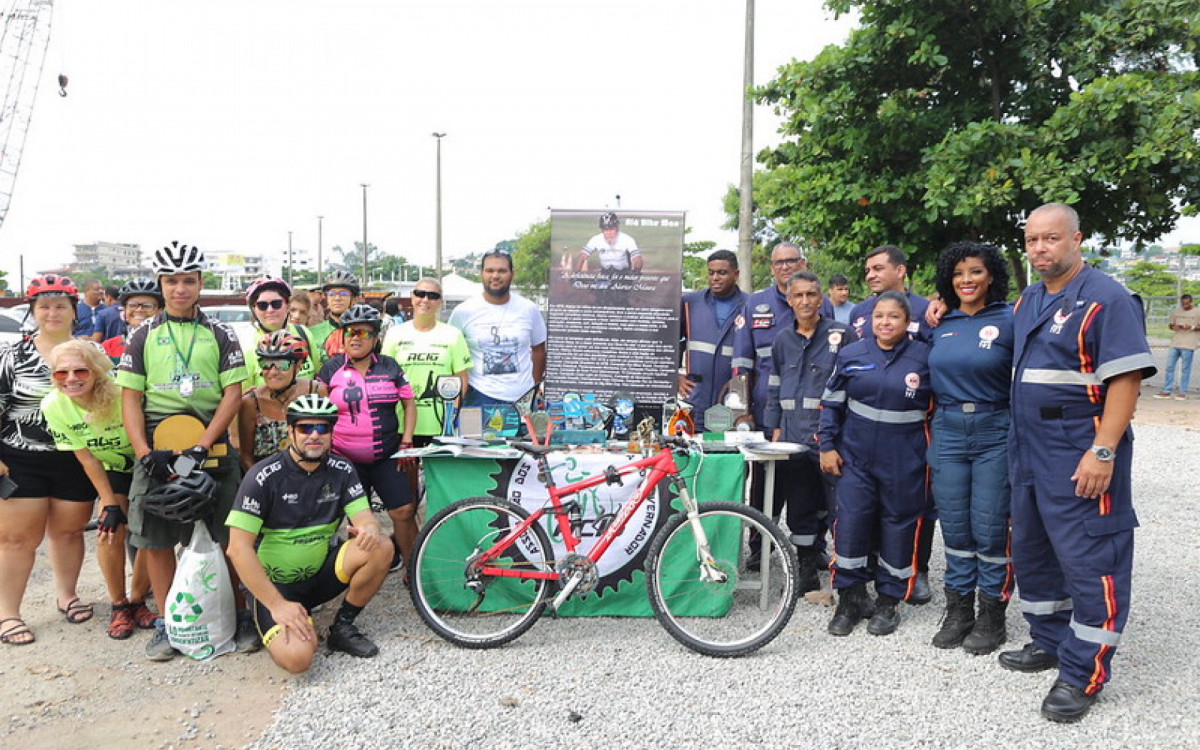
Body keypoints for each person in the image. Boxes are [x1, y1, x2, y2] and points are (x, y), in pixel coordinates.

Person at [998, 203, 1155, 723]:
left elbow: (1126, 380)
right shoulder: (1029, 299)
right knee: (1035, 551)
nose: (1039, 248)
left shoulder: (1106, 298)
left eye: (1050, 239)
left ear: (1076, 239)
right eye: (1031, 241)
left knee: (1092, 560)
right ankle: (1049, 640)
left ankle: (1083, 672)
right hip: (1030, 452)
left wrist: (1103, 451)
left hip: (1079, 451)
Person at [116, 241, 254, 661]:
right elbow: (128, 400)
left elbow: (234, 394)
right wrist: (144, 454)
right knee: (156, 541)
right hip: (158, 441)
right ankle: (166, 622)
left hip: (209, 438)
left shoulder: (221, 332)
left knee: (228, 535)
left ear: (200, 283)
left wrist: (201, 445)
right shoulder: (142, 334)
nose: (180, 289)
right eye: (172, 281)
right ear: (162, 284)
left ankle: (241, 615)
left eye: (188, 281)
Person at [226, 395, 392, 672]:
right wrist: (277, 605)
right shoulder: (262, 476)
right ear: (290, 431)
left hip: (319, 577)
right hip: (275, 586)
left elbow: (365, 518)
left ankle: (342, 627)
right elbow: (237, 549)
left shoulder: (342, 469)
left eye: (323, 428)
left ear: (331, 433)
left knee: (381, 546)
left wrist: (369, 528)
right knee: (299, 659)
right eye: (305, 428)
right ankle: (283, 619)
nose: (314, 435)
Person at [818, 290, 933, 637]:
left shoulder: (924, 357)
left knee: (898, 527)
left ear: (907, 321)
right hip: (856, 457)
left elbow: (938, 409)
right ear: (869, 320)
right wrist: (826, 446)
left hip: (906, 459)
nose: (885, 322)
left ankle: (888, 602)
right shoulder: (853, 354)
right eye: (879, 316)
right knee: (850, 523)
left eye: (893, 316)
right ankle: (850, 601)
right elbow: (832, 403)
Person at [926, 242, 1015, 654]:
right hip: (947, 428)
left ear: (991, 275)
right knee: (956, 526)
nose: (967, 280)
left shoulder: (1011, 318)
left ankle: (991, 616)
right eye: (959, 274)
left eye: (976, 272)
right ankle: (958, 610)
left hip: (995, 427)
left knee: (990, 526)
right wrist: (934, 305)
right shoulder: (940, 322)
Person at [0, 275, 98, 647]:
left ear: (75, 310)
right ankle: (8, 613)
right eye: (44, 306)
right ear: (33, 312)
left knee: (70, 531)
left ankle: (67, 595)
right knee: (15, 540)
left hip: (77, 457)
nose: (52, 313)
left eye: (60, 305)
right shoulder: (12, 355)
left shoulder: (92, 355)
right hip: (20, 459)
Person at [43, 340, 155, 640]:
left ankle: (138, 599)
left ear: (96, 372)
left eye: (80, 370)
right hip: (113, 469)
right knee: (110, 530)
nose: (70, 379)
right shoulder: (53, 405)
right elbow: (87, 457)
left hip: (146, 464)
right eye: (60, 373)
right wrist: (108, 504)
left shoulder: (120, 394)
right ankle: (118, 604)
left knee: (149, 532)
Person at [846, 244, 936, 602]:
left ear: (901, 270)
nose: (871, 275)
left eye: (878, 268)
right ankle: (866, 571)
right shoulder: (858, 312)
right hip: (866, 429)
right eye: (868, 269)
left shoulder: (929, 310)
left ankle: (919, 569)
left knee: (917, 505)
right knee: (864, 506)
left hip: (910, 427)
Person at [732, 242, 834, 537]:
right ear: (772, 268)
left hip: (811, 417)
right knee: (765, 485)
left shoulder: (819, 300)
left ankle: (811, 547)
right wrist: (742, 414)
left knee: (812, 486)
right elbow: (741, 365)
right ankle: (758, 546)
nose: (785, 266)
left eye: (791, 261)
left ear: (802, 263)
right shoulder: (754, 304)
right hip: (767, 415)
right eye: (779, 263)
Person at [763, 271, 855, 593]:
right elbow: (773, 388)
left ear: (821, 298)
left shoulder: (842, 336)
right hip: (791, 435)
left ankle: (847, 572)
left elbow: (854, 387)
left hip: (830, 436)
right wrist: (773, 427)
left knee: (839, 505)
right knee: (800, 503)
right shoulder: (781, 341)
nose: (805, 301)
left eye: (811, 295)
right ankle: (806, 566)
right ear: (789, 300)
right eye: (798, 295)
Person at [316, 304, 417, 570]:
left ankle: (415, 569)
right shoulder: (330, 369)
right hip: (345, 458)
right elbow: (320, 413)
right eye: (349, 332)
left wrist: (407, 441)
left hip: (387, 454)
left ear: (376, 338)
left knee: (404, 511)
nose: (355, 338)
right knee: (357, 519)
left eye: (363, 332)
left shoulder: (390, 367)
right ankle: (362, 569)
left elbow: (409, 404)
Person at [449, 249, 547, 414]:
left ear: (512, 274)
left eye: (502, 270)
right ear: (481, 273)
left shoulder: (529, 309)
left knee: (525, 440)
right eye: (490, 270)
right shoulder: (463, 312)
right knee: (473, 440)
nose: (495, 276)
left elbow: (539, 350)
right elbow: (452, 353)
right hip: (477, 397)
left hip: (522, 399)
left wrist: (534, 386)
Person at [380, 278, 471, 445]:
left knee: (437, 472)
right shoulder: (395, 333)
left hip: (440, 425)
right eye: (420, 294)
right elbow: (385, 377)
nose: (425, 300)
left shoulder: (453, 335)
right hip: (402, 424)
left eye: (432, 296)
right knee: (407, 471)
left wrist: (453, 414)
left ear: (440, 302)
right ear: (412, 297)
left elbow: (462, 378)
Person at [678, 250, 747, 431]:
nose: (715, 278)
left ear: (736, 274)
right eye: (711, 273)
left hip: (732, 398)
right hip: (696, 398)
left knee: (727, 453)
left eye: (722, 273)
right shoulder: (689, 303)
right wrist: (674, 376)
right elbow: (667, 343)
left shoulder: (750, 306)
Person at [238, 330, 326, 471]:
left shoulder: (316, 392)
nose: (272, 371)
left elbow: (328, 443)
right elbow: (246, 457)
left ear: (298, 365)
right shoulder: (251, 402)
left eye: (281, 364)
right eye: (266, 363)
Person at [240, 276, 322, 386]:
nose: (270, 310)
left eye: (276, 304)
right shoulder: (247, 346)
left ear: (287, 306)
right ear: (254, 310)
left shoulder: (303, 332)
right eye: (262, 305)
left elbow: (317, 374)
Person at [100, 278, 163, 364]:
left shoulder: (170, 345)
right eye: (133, 305)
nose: (139, 310)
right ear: (124, 310)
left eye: (147, 306)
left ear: (160, 311)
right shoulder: (108, 347)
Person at [1155, 293, 1199, 400]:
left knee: (1185, 369)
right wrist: (1174, 326)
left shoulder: (1197, 312)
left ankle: (1182, 392)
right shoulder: (1176, 312)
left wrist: (1191, 327)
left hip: (1188, 343)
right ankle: (1167, 390)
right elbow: (1170, 325)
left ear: (1191, 302)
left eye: (1187, 304)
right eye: (1183, 303)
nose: (1184, 306)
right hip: (1175, 342)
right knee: (1169, 367)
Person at [309, 271, 360, 359]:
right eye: (332, 294)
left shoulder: (363, 332)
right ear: (326, 298)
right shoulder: (311, 333)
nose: (337, 298)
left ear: (354, 299)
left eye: (343, 294)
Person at [576, 212, 643, 272]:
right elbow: (582, 256)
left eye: (611, 229)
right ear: (602, 230)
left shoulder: (627, 239)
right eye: (606, 230)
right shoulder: (595, 239)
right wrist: (576, 273)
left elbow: (637, 258)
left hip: (623, 273)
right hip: (605, 273)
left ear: (617, 228)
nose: (609, 233)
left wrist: (637, 270)